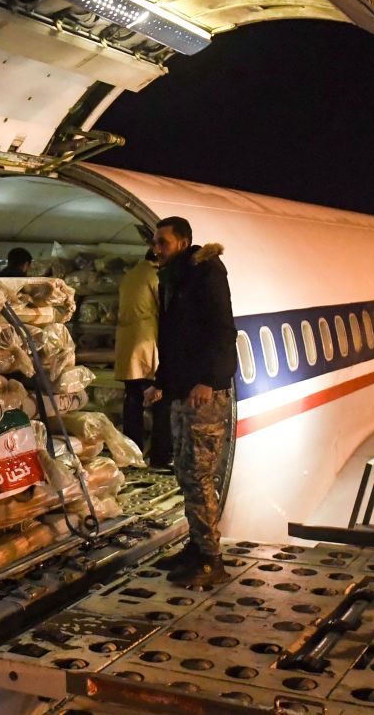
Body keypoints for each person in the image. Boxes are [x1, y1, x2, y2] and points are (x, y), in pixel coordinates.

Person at [145, 216, 237, 587]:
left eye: (163, 242)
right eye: (155, 242)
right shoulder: (175, 279)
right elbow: (173, 339)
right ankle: (196, 547)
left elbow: (222, 330)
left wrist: (209, 380)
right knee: (184, 472)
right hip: (182, 392)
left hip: (203, 396)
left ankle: (212, 560)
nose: (156, 248)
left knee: (199, 476)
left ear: (183, 242)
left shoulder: (205, 275)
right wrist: (161, 383)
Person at [113, 249, 170, 466]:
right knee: (159, 400)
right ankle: (160, 456)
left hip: (126, 343)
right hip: (146, 341)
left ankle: (133, 453)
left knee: (132, 402)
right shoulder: (154, 276)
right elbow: (164, 307)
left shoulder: (131, 275)